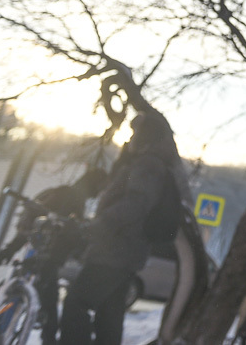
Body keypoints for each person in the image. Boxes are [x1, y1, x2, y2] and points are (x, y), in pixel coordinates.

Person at [59, 111, 182, 345]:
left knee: (76, 303)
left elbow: (137, 203)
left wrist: (101, 223)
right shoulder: (147, 163)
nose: (130, 139)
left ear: (145, 138)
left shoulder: (148, 164)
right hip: (123, 252)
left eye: (135, 134)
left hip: (115, 251)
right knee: (109, 317)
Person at [0, 168, 109, 345]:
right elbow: (68, 232)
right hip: (48, 260)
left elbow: (35, 224)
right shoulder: (75, 198)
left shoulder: (65, 193)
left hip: (37, 254)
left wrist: (11, 248)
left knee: (15, 296)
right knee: (48, 308)